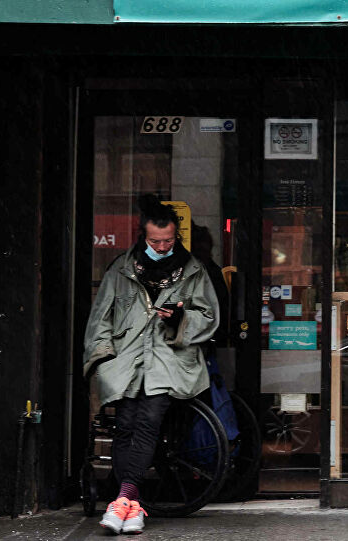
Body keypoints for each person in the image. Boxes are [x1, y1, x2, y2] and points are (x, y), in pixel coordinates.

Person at [83, 195, 219, 534]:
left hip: (169, 360)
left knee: (148, 422)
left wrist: (180, 319)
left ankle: (122, 498)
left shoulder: (193, 271)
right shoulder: (121, 268)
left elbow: (209, 317)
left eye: (168, 241)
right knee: (125, 425)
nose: (161, 246)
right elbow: (100, 318)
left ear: (176, 236)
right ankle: (133, 505)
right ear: (143, 236)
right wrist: (104, 358)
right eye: (155, 241)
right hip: (126, 360)